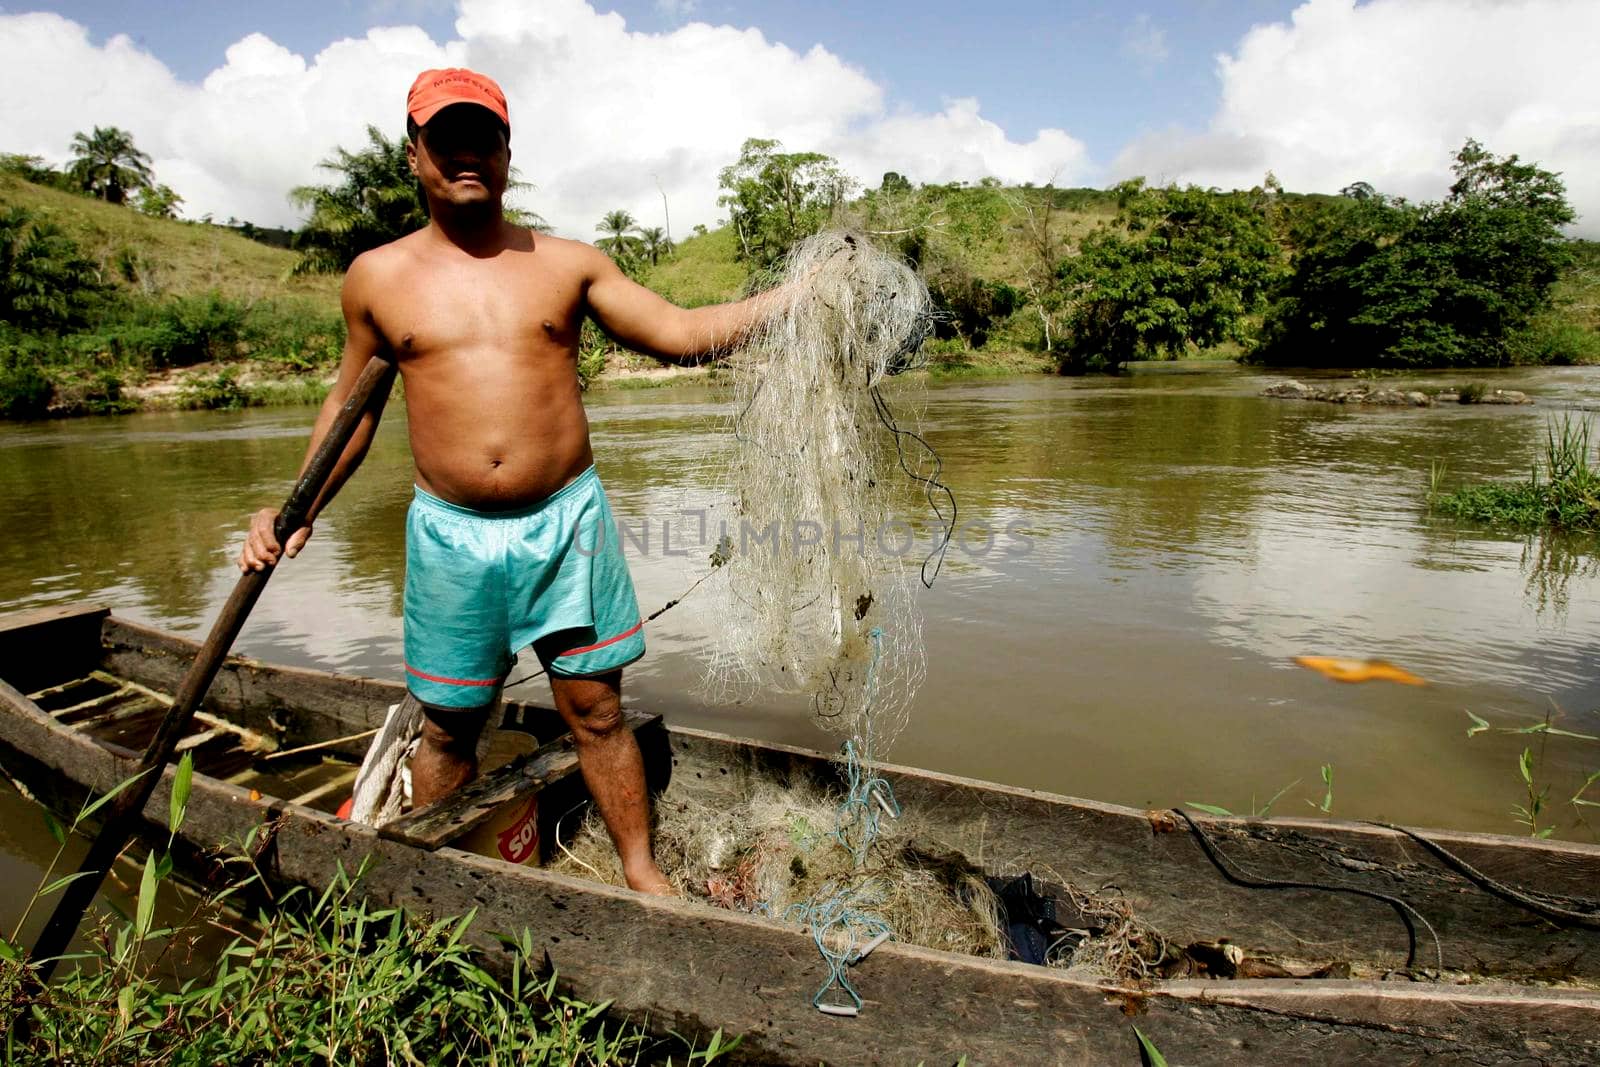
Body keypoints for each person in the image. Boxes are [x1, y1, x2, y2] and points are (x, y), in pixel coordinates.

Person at [238, 68, 783, 895]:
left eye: (483, 138)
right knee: (451, 728)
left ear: (506, 153)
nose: (466, 153)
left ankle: (642, 870)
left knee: (597, 710)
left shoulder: (566, 264)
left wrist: (799, 297)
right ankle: (442, 882)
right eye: (445, 138)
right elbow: (349, 411)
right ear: (415, 154)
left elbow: (679, 334)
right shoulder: (377, 278)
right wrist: (296, 508)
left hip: (568, 523)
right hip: (452, 535)